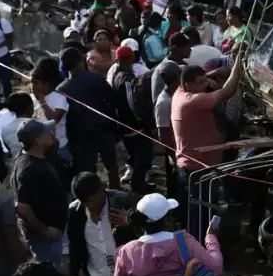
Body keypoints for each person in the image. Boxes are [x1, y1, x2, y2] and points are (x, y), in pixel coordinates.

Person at [172, 57, 242, 240]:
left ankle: (203, 244)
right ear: (189, 85)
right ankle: (201, 248)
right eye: (201, 82)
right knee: (201, 215)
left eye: (206, 80)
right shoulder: (191, 100)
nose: (206, 84)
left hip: (200, 167)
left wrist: (209, 77)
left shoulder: (181, 91)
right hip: (197, 169)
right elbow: (227, 91)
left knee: (205, 210)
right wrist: (238, 65)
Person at [57, 47, 120, 186]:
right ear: (81, 61)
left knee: (88, 172)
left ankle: (93, 193)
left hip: (80, 137)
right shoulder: (96, 79)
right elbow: (114, 100)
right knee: (111, 166)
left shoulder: (61, 89)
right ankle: (115, 190)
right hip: (104, 130)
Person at [11, 119, 68, 267]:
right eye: (46, 132)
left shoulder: (34, 157)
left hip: (51, 233)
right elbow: (21, 207)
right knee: (48, 272)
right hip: (44, 238)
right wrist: (45, 230)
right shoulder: (30, 169)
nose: (51, 134)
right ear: (37, 140)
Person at [111, 45, 154, 195]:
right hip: (133, 125)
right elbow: (131, 102)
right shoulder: (126, 79)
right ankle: (137, 185)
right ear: (131, 59)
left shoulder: (116, 75)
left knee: (136, 155)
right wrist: (141, 119)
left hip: (125, 124)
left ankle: (139, 183)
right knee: (143, 156)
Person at [31, 58, 70, 162]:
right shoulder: (32, 98)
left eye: (36, 83)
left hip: (59, 147)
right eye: (31, 82)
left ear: (46, 84)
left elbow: (54, 119)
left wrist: (42, 102)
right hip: (40, 149)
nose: (32, 87)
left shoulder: (59, 98)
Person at [155, 62, 181, 199]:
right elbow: (163, 134)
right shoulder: (164, 102)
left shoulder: (174, 95)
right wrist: (174, 157)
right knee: (177, 186)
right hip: (174, 151)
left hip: (179, 149)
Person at [152, 32, 192, 103]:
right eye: (186, 46)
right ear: (175, 48)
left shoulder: (182, 62)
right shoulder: (166, 67)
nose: (190, 49)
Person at [0, 92, 34, 157]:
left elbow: (9, 148)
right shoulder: (39, 124)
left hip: (17, 161)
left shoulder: (5, 130)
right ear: (30, 107)